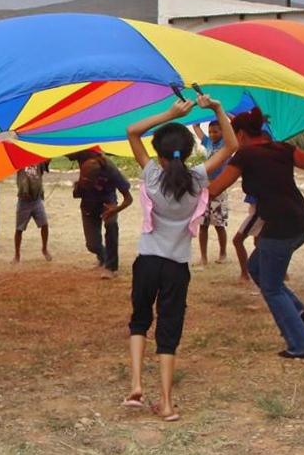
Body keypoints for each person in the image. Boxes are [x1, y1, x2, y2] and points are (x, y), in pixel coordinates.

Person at [124, 95, 238, 421]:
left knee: (140, 320)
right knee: (169, 331)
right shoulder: (198, 177)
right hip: (177, 267)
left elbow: (132, 131)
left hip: (147, 261)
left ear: (158, 154)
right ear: (188, 151)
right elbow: (230, 146)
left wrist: (169, 114)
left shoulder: (151, 176)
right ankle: (167, 403)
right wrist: (217, 108)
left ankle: (135, 385)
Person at [209, 107, 304, 359]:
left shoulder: (245, 155)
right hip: (299, 221)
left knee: (271, 287)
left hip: (280, 227)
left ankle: (302, 345)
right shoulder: (283, 148)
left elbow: (214, 189)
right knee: (256, 267)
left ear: (242, 134)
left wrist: (184, 184)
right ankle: (297, 310)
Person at [71, 151, 133, 279]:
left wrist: (116, 209)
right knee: (92, 245)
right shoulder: (83, 154)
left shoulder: (111, 170)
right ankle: (103, 257)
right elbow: (65, 150)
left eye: (88, 183)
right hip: (88, 203)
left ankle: (111, 267)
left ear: (97, 179)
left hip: (107, 203)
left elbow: (129, 199)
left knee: (111, 225)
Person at [192, 120, 229, 265]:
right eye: (210, 132)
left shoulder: (226, 143)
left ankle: (223, 253)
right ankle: (203, 257)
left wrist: (224, 114)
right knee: (203, 224)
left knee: (219, 225)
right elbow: (196, 129)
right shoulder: (208, 143)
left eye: (216, 131)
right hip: (205, 188)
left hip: (219, 188)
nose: (212, 134)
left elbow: (232, 128)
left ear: (223, 132)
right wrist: (196, 119)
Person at [12, 161, 52, 263]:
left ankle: (44, 249)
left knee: (44, 224)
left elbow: (47, 160)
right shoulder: (20, 161)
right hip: (23, 200)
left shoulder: (38, 161)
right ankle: (17, 254)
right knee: (19, 229)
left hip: (36, 199)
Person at [233, 194, 262, 284]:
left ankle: (245, 274)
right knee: (258, 242)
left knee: (237, 240)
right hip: (259, 207)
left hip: (259, 209)